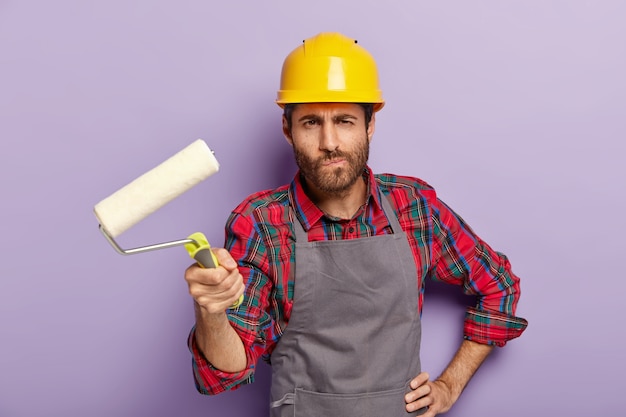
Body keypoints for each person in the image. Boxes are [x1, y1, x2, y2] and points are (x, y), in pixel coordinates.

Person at [184, 32, 528, 416]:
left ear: (370, 124)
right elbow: (225, 374)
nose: (329, 142)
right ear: (288, 130)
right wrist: (211, 311)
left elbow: (499, 287)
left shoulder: (414, 207)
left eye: (344, 120)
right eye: (311, 122)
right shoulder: (263, 224)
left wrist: (449, 385)